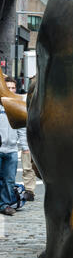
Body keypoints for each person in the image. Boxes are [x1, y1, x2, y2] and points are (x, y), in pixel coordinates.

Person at [0, 77, 28, 215]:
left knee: (9, 180)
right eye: (8, 88)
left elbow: (22, 129)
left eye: (13, 88)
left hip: (11, 150)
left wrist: (25, 147)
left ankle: (4, 204)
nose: (10, 90)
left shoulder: (16, 106)